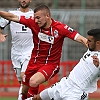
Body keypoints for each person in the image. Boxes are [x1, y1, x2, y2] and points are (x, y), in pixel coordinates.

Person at [0, 5, 88, 100]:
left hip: (50, 64)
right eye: (35, 18)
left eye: (38, 18)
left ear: (47, 16)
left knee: (33, 82)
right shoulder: (33, 23)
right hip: (33, 63)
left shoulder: (60, 28)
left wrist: (95, 51)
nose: (36, 21)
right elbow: (12, 17)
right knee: (24, 90)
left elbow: (81, 39)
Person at [30, 28, 100, 100]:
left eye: (89, 41)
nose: (87, 42)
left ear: (98, 43)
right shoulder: (91, 48)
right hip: (65, 84)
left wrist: (98, 66)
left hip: (76, 92)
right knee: (37, 98)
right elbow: (81, 39)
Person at [0, 0, 34, 100]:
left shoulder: (34, 14)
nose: (24, 0)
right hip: (15, 52)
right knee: (22, 83)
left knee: (24, 76)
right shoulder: (11, 14)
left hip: (30, 50)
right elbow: (0, 25)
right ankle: (29, 96)